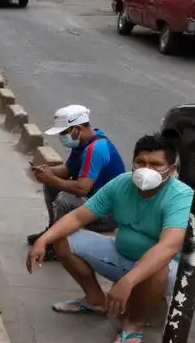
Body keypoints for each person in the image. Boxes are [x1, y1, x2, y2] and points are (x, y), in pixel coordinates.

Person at [27, 133, 194, 343]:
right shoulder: (122, 183)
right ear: (132, 162)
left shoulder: (180, 196)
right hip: (120, 253)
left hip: (161, 271)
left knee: (158, 267)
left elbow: (168, 247)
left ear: (172, 170)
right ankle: (95, 299)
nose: (146, 169)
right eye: (141, 162)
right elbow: (78, 217)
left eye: (155, 164)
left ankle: (135, 321)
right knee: (62, 238)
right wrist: (44, 239)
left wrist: (128, 281)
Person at [27, 104, 126, 260]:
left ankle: (58, 246)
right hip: (94, 201)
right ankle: (52, 231)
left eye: (63, 133)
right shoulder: (82, 142)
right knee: (51, 185)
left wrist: (51, 177)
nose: (61, 137)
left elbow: (81, 188)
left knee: (64, 200)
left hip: (108, 214)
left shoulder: (96, 149)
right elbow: (68, 170)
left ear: (77, 129)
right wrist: (48, 172)